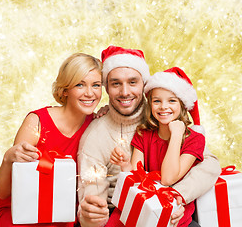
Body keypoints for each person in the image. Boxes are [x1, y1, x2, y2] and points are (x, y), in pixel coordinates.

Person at [77, 45, 221, 227]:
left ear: (144, 85)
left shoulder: (163, 116)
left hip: (173, 207)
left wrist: (175, 197)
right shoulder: (97, 135)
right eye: (116, 83)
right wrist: (92, 214)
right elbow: (95, 197)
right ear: (107, 87)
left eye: (132, 82)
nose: (125, 92)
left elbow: (210, 164)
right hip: (124, 209)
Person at [0, 53, 103, 227]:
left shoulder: (97, 125)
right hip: (18, 217)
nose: (89, 93)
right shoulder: (37, 122)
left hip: (61, 218)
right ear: (65, 90)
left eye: (96, 85)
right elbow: (3, 193)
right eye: (80, 84)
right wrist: (7, 159)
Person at [110, 67, 205, 226]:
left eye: (172, 100)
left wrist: (176, 135)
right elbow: (135, 179)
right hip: (145, 207)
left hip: (175, 214)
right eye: (157, 101)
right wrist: (125, 164)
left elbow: (168, 178)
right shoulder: (143, 134)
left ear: (182, 105)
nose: (163, 107)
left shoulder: (195, 139)